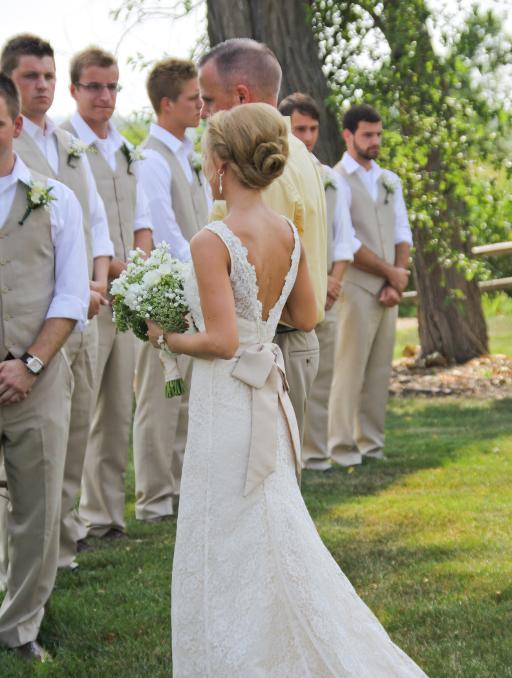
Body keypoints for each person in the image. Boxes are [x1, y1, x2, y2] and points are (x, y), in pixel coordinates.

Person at [146, 102, 512, 678]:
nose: (204, 166)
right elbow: (308, 312)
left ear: (222, 166)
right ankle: (263, 666)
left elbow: (223, 340)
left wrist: (165, 334)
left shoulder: (211, 240)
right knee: (265, 526)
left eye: (207, 156)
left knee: (227, 533)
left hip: (230, 401)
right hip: (267, 394)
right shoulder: (286, 230)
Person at [0, 34, 113, 569]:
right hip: (28, 317)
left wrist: (95, 283)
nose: (41, 86)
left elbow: (94, 221)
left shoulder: (69, 143)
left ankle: (62, 543)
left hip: (76, 314)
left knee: (70, 433)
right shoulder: (9, 140)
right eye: (30, 77)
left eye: (47, 76)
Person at [198, 38, 327, 447]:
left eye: (208, 99)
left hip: (268, 351)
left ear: (240, 96)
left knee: (258, 485)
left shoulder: (262, 173)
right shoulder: (299, 154)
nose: (202, 112)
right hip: (291, 341)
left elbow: (256, 281)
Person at [0, 74, 89, 660]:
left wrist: (29, 363)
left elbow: (71, 293)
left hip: (37, 375)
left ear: (12, 125)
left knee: (39, 508)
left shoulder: (55, 197)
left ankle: (20, 626)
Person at [61, 47, 152, 540]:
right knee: (81, 411)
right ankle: (67, 518)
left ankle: (106, 515)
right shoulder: (64, 145)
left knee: (118, 408)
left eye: (113, 86)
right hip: (86, 294)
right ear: (73, 90)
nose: (105, 96)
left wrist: (140, 273)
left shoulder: (126, 149)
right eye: (94, 86)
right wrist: (120, 274)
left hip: (127, 296)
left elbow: (141, 221)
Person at [133, 58, 209, 522]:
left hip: (197, 286)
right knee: (161, 398)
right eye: (193, 98)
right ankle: (153, 499)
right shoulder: (150, 160)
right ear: (166, 104)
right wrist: (203, 274)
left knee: (188, 398)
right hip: (167, 289)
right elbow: (166, 232)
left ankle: (180, 488)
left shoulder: (188, 153)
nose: (201, 105)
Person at [330, 105, 412, 466]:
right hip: (356, 287)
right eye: (367, 134)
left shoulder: (389, 180)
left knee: (380, 371)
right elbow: (346, 240)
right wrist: (390, 273)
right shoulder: (336, 180)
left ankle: (372, 445)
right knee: (349, 370)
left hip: (387, 290)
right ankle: (342, 448)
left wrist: (399, 277)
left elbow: (402, 232)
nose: (375, 141)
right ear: (348, 135)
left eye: (378, 134)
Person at [279, 92, 355, 471]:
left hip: (328, 290)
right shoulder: (277, 177)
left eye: (311, 129)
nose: (306, 136)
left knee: (323, 377)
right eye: (299, 129)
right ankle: (291, 452)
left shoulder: (330, 179)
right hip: (293, 296)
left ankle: (316, 452)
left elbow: (345, 238)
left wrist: (334, 280)